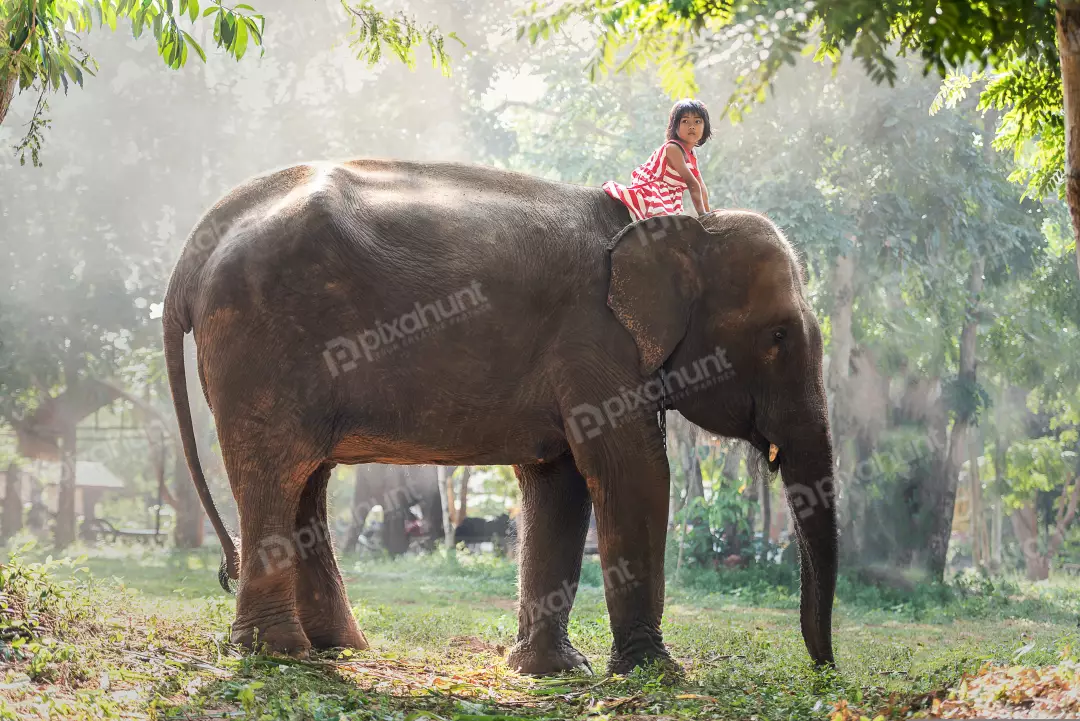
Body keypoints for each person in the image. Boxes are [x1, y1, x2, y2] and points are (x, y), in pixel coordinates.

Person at [603, 98, 712, 219]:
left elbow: (701, 185)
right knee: (666, 228)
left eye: (697, 122)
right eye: (685, 121)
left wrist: (709, 213)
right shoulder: (673, 148)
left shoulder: (692, 153)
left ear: (705, 126)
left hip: (669, 196)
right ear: (675, 126)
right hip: (651, 193)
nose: (692, 126)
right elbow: (692, 183)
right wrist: (703, 214)